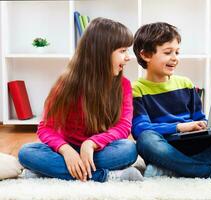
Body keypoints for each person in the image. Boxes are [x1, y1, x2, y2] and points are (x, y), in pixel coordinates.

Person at [18, 17, 143, 182]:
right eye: (122, 51)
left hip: (99, 150)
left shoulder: (124, 85)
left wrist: (92, 143)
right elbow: (46, 128)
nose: (128, 57)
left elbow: (123, 127)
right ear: (101, 52)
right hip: (65, 149)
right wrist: (66, 150)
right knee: (27, 152)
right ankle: (108, 176)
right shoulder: (66, 84)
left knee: (128, 150)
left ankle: (47, 173)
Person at [132, 22, 211, 179]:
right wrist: (180, 127)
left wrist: (208, 125)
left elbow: (198, 118)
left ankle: (173, 170)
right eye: (168, 52)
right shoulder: (136, 89)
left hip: (194, 144)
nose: (175, 58)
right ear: (145, 55)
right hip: (164, 147)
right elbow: (140, 129)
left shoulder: (185, 84)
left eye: (177, 52)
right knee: (146, 140)